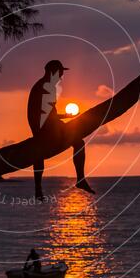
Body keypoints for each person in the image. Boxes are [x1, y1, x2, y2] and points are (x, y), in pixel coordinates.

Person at [26, 60, 95, 200]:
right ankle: (80, 179)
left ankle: (38, 189)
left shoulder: (43, 85)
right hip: (45, 129)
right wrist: (61, 121)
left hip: (43, 128)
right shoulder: (46, 87)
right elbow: (46, 116)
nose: (62, 76)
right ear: (53, 72)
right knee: (79, 143)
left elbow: (48, 113)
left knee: (39, 154)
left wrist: (65, 116)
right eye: (60, 73)